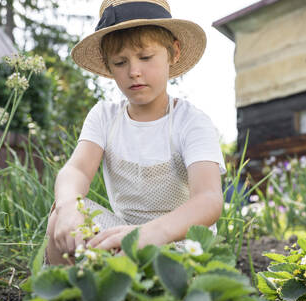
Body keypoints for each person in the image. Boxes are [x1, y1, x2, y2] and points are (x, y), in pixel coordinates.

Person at [46, 0, 226, 265]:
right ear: (108, 66)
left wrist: (151, 233)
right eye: (120, 62)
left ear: (173, 52)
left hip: (182, 248)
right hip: (122, 236)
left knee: (159, 281)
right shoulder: (104, 117)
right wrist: (69, 205)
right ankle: (61, 300)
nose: (134, 72)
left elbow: (209, 199)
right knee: (60, 216)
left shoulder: (191, 121)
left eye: (145, 57)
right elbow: (77, 171)